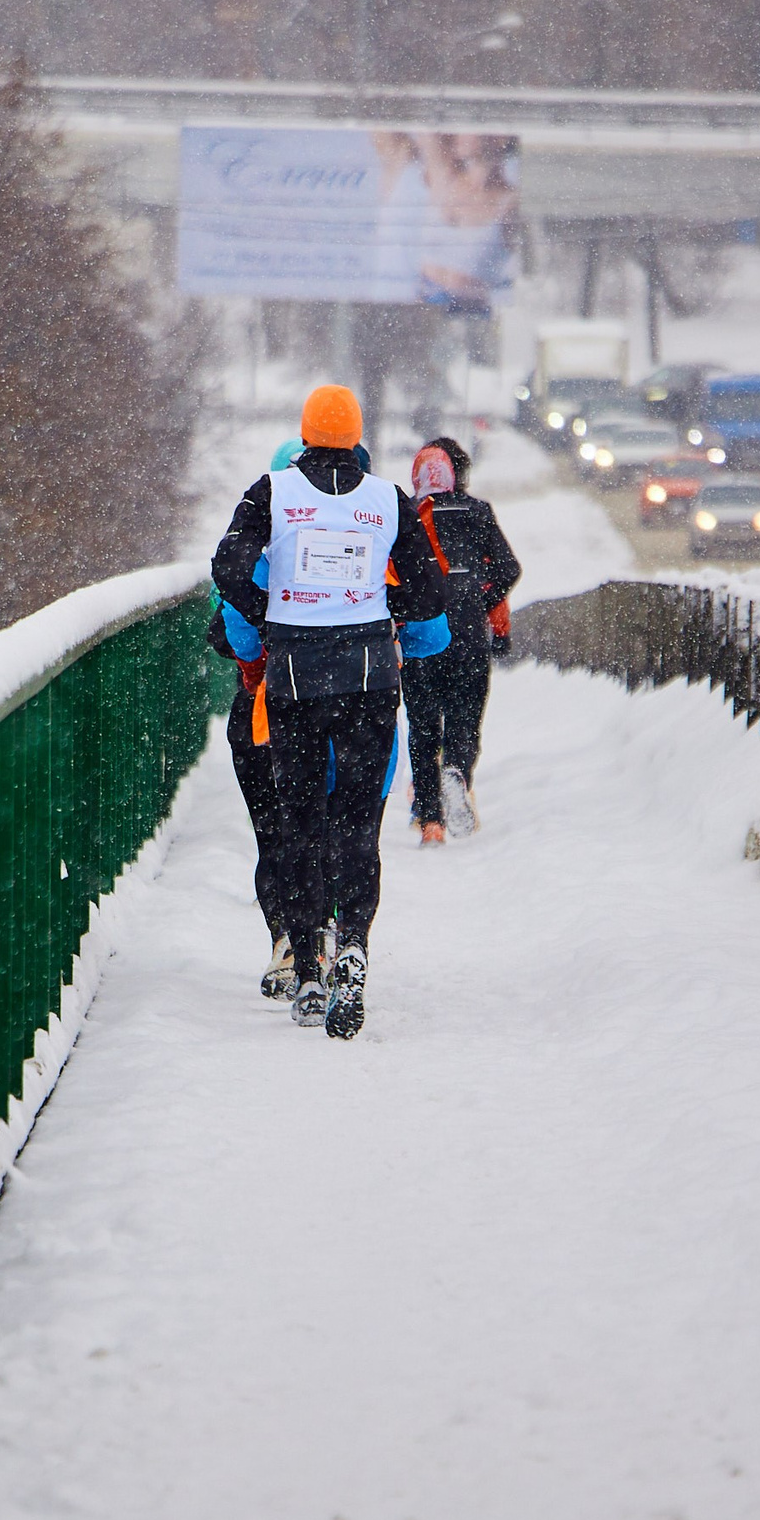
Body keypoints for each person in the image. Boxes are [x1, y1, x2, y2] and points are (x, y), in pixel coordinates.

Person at [212, 386, 449, 1037]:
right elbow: (429, 590)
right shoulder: (387, 501)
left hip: (293, 676)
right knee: (356, 821)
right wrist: (382, 613)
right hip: (369, 676)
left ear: (306, 432)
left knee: (299, 822)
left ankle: (310, 967)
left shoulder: (273, 492)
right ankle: (354, 944)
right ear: (357, 435)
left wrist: (271, 615)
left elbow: (227, 567)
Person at [209, 439, 306, 1001]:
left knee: (274, 834)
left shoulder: (255, 554)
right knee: (331, 826)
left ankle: (286, 941)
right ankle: (329, 931)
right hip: (338, 696)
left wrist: (254, 664)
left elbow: (229, 631)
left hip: (262, 711)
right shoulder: (354, 541)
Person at [401, 437, 522, 844]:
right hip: (468, 634)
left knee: (422, 727)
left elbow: (393, 577)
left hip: (422, 635)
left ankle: (432, 822)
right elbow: (508, 568)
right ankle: (457, 771)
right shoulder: (478, 512)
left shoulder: (408, 515)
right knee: (464, 718)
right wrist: (476, 600)